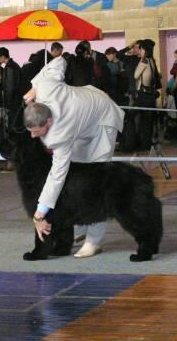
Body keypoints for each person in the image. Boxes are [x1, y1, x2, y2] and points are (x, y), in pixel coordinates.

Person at [23, 56, 124, 258]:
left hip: (103, 120)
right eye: (30, 131)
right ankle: (83, 225)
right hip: (82, 119)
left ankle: (94, 240)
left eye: (37, 131)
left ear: (49, 121)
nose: (33, 136)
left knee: (95, 182)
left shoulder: (60, 133)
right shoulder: (45, 86)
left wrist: (39, 212)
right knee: (78, 178)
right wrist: (35, 86)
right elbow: (59, 60)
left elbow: (57, 175)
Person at [132, 40, 159, 149]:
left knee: (138, 118)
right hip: (151, 93)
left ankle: (142, 143)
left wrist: (139, 62)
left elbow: (135, 75)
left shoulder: (144, 61)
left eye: (141, 49)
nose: (140, 51)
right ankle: (147, 142)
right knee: (148, 120)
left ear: (145, 50)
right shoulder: (152, 60)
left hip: (144, 94)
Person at [0, 47, 22, 132]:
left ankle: (13, 142)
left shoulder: (9, 68)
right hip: (17, 98)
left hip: (12, 101)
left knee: (12, 124)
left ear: (3, 57)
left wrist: (7, 104)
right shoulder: (14, 65)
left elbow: (9, 88)